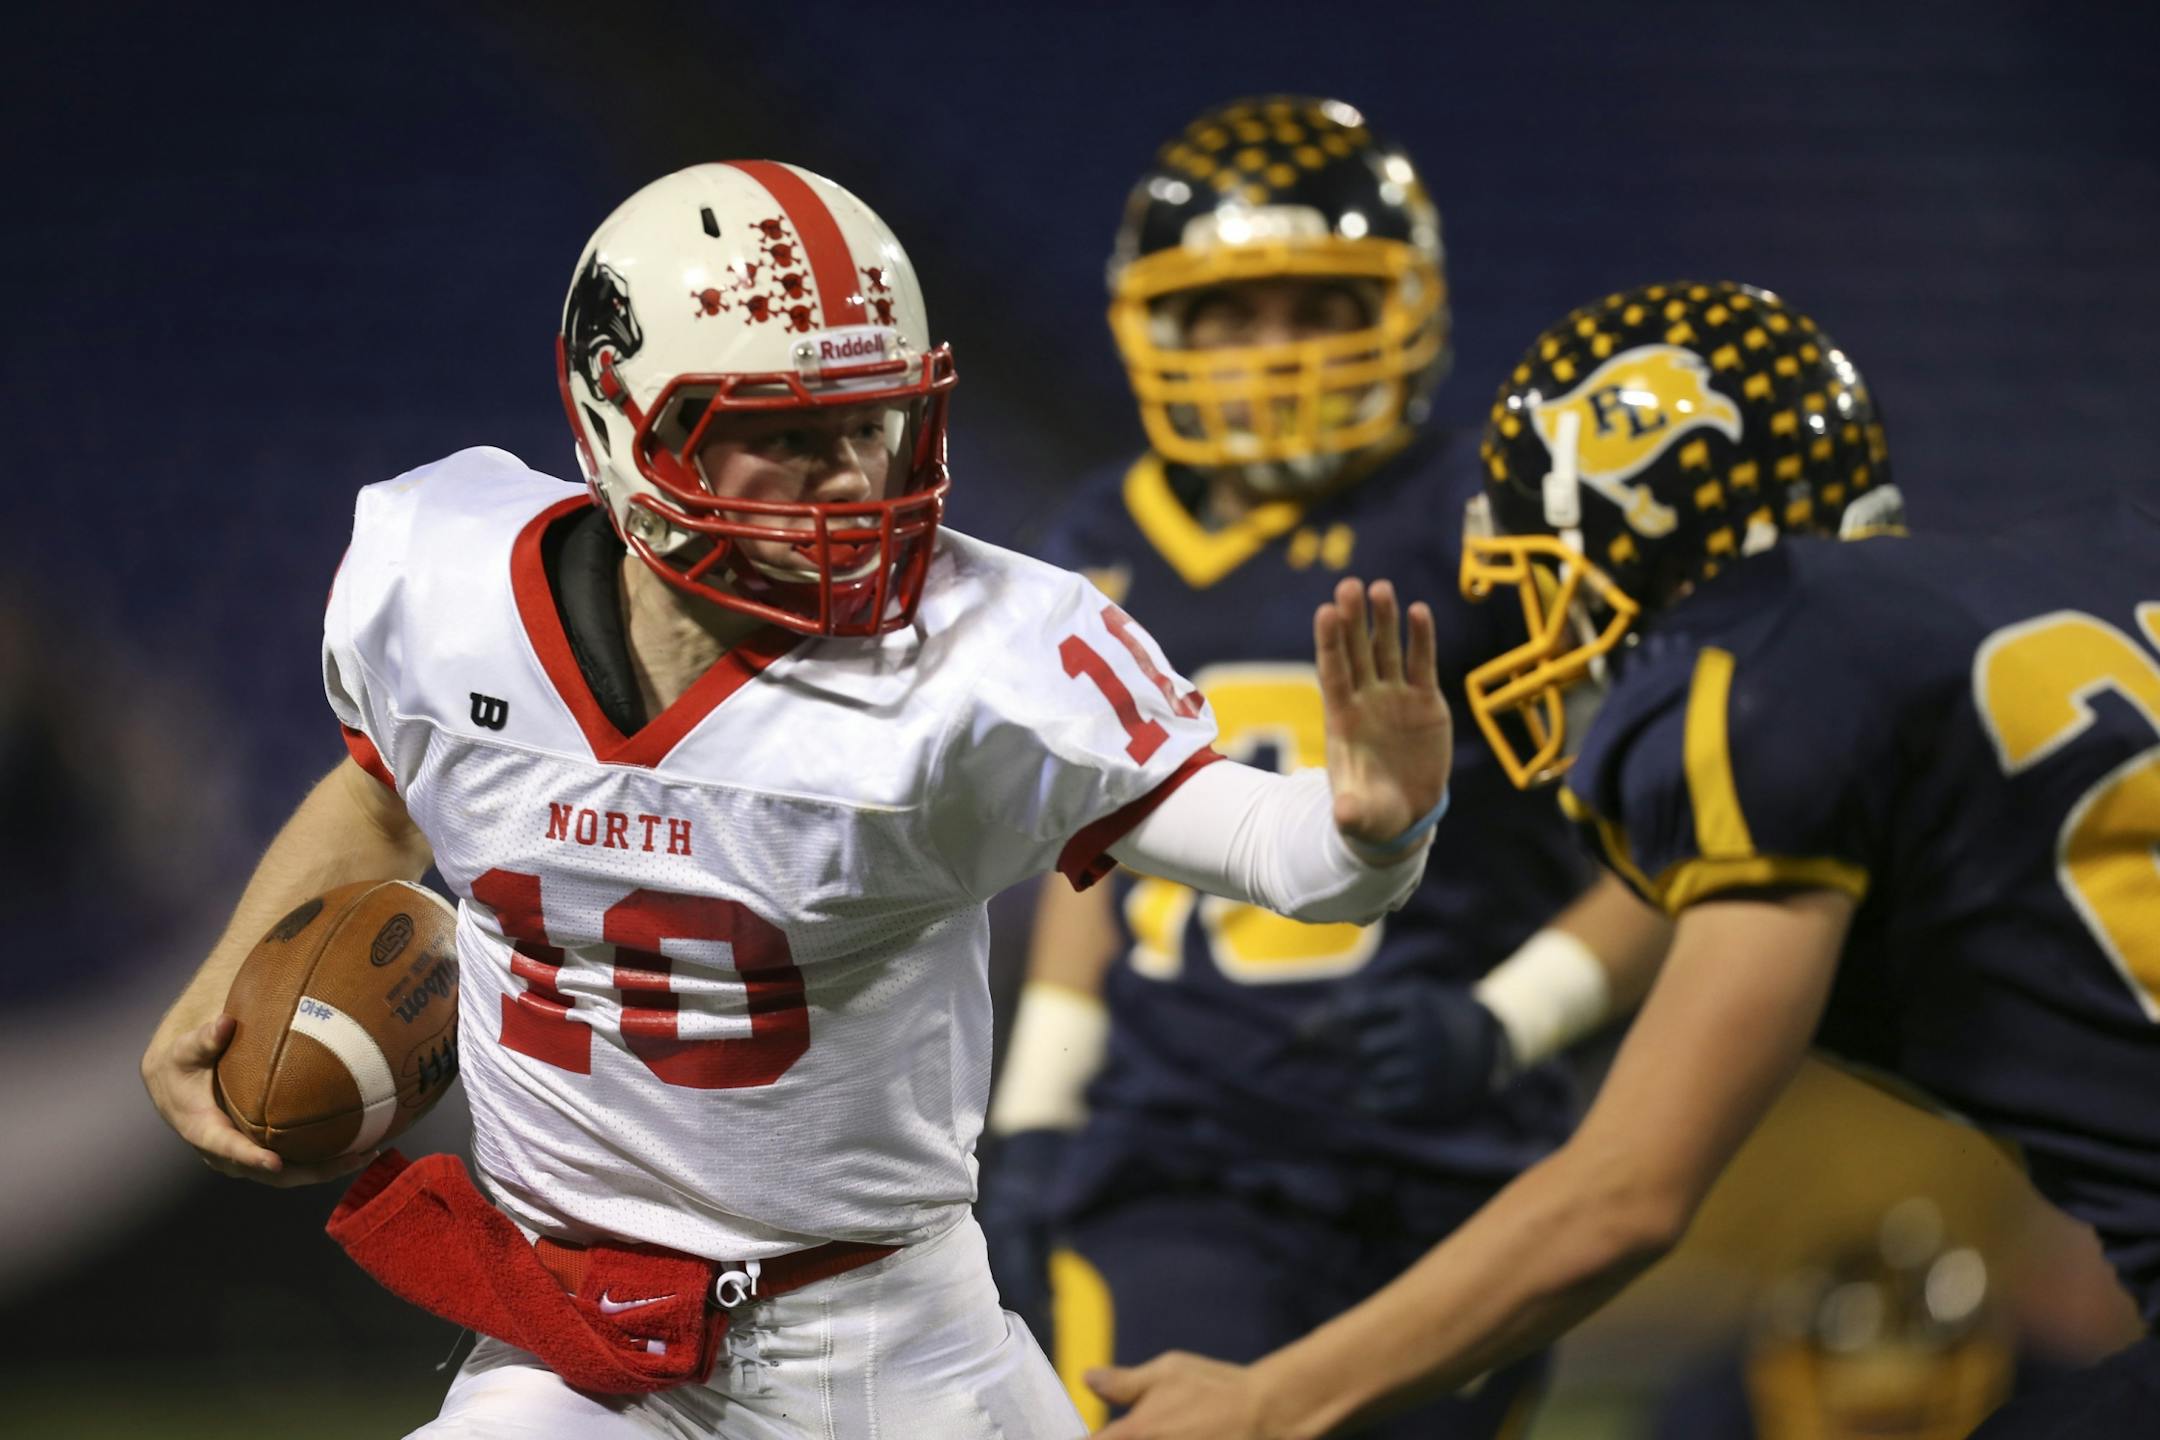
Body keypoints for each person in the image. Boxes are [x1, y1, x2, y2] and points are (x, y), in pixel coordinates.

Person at [137, 161, 1462, 1439]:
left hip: (885, 1349)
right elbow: (384, 799)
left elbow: (1289, 859)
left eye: (867, 426)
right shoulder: (444, 581)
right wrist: (227, 978)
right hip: (578, 1351)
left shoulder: (984, 661)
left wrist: (1370, 822)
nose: (847, 481)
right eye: (777, 435)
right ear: (614, 416)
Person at [1085, 279, 2160, 1438]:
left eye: (1551, 573)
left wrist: (1269, 1400)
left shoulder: (1764, 668)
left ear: (1644, 539)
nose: (1543, 627)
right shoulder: (2105, 557)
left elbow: (1626, 1197)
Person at [977, 95, 1668, 1436]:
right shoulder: (1103, 533)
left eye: (1317, 307)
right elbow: (1091, 860)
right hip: (1187, 1160)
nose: (1272, 353)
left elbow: (1687, 853)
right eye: (1232, 315)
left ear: (1405, 311)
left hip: (1459, 1166)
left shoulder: (1502, 527)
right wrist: (1040, 1117)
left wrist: (1507, 1018)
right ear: (1156, 325)